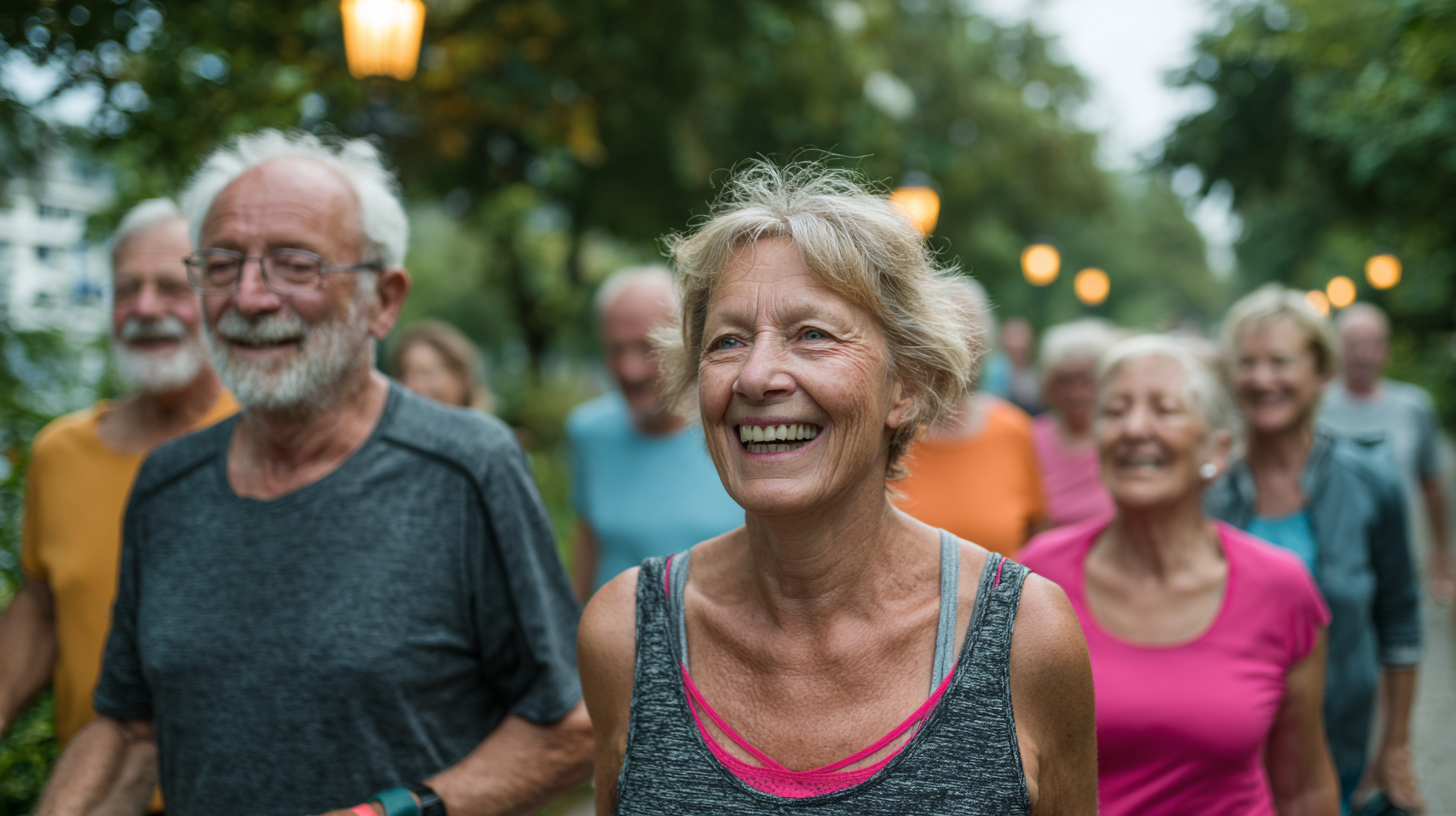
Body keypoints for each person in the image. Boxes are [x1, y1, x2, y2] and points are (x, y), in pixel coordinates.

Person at [35, 130, 591, 816]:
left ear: (383, 300)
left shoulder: (467, 465)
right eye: (221, 263)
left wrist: (394, 812)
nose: (249, 296)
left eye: (295, 265)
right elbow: (128, 728)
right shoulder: (166, 486)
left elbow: (570, 722)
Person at [579, 161, 1096, 816]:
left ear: (904, 387)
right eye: (728, 340)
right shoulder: (626, 631)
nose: (757, 375)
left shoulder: (1026, 636)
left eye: (813, 335)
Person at [1020, 336, 1339, 816]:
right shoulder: (1036, 580)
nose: (1134, 428)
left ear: (1217, 447)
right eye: (1115, 411)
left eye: (1165, 409)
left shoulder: (1281, 586)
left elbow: (1305, 788)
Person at [0, 199, 235, 810]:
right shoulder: (61, 452)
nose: (146, 309)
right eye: (127, 289)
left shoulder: (263, 440)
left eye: (170, 287)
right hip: (98, 796)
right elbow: (42, 605)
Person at [1206, 285, 1423, 813]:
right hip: (1224, 753)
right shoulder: (1205, 490)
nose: (1262, 379)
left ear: (1322, 372)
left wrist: (1394, 745)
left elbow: (1399, 619)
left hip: (1338, 742)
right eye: (1247, 363)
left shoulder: (1371, 482)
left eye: (1280, 361)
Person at [568, 266, 742, 599]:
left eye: (647, 347)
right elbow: (588, 544)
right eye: (615, 349)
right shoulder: (587, 433)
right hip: (615, 644)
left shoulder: (738, 432)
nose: (629, 370)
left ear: (687, 344)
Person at [895, 279, 1047, 556]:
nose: (957, 340)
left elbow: (1036, 537)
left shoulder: (1014, 430)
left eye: (969, 327)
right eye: (944, 325)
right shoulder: (890, 431)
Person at [1322, 302, 1454, 598]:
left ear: (1386, 349)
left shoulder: (1413, 406)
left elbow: (1432, 484)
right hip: (1332, 561)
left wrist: (1442, 554)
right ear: (1337, 349)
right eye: (1353, 344)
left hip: (1401, 559)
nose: (1362, 353)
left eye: (1372, 344)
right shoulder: (1315, 408)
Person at [1030, 320, 1119, 528]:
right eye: (1065, 380)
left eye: (1086, 380)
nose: (1076, 393)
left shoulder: (1119, 436)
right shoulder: (1030, 437)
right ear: (1049, 385)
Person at [391, 319, 494, 411]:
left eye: (426, 373)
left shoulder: (488, 431)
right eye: (405, 375)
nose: (413, 385)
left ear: (461, 378)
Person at [1002, 316, 1042, 415]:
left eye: (1020, 337)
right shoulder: (994, 374)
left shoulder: (1037, 373)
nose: (1017, 344)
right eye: (1012, 337)